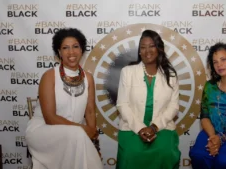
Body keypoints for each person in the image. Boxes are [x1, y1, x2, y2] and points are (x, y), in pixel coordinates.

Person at [25, 28, 103, 169]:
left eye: (75, 47)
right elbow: (50, 118)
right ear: (59, 52)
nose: (71, 52)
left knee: (77, 137)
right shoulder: (49, 76)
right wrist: (84, 130)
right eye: (65, 48)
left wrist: (94, 142)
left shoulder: (88, 78)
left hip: (76, 136)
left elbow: (90, 112)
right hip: (45, 131)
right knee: (77, 135)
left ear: (82, 50)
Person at [116, 30, 181, 169]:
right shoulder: (127, 72)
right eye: (143, 47)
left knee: (166, 153)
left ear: (159, 48)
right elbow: (122, 105)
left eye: (151, 46)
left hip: (162, 127)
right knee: (130, 154)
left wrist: (154, 127)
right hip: (132, 127)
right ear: (139, 51)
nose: (147, 51)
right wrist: (141, 129)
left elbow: (174, 106)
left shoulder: (171, 75)